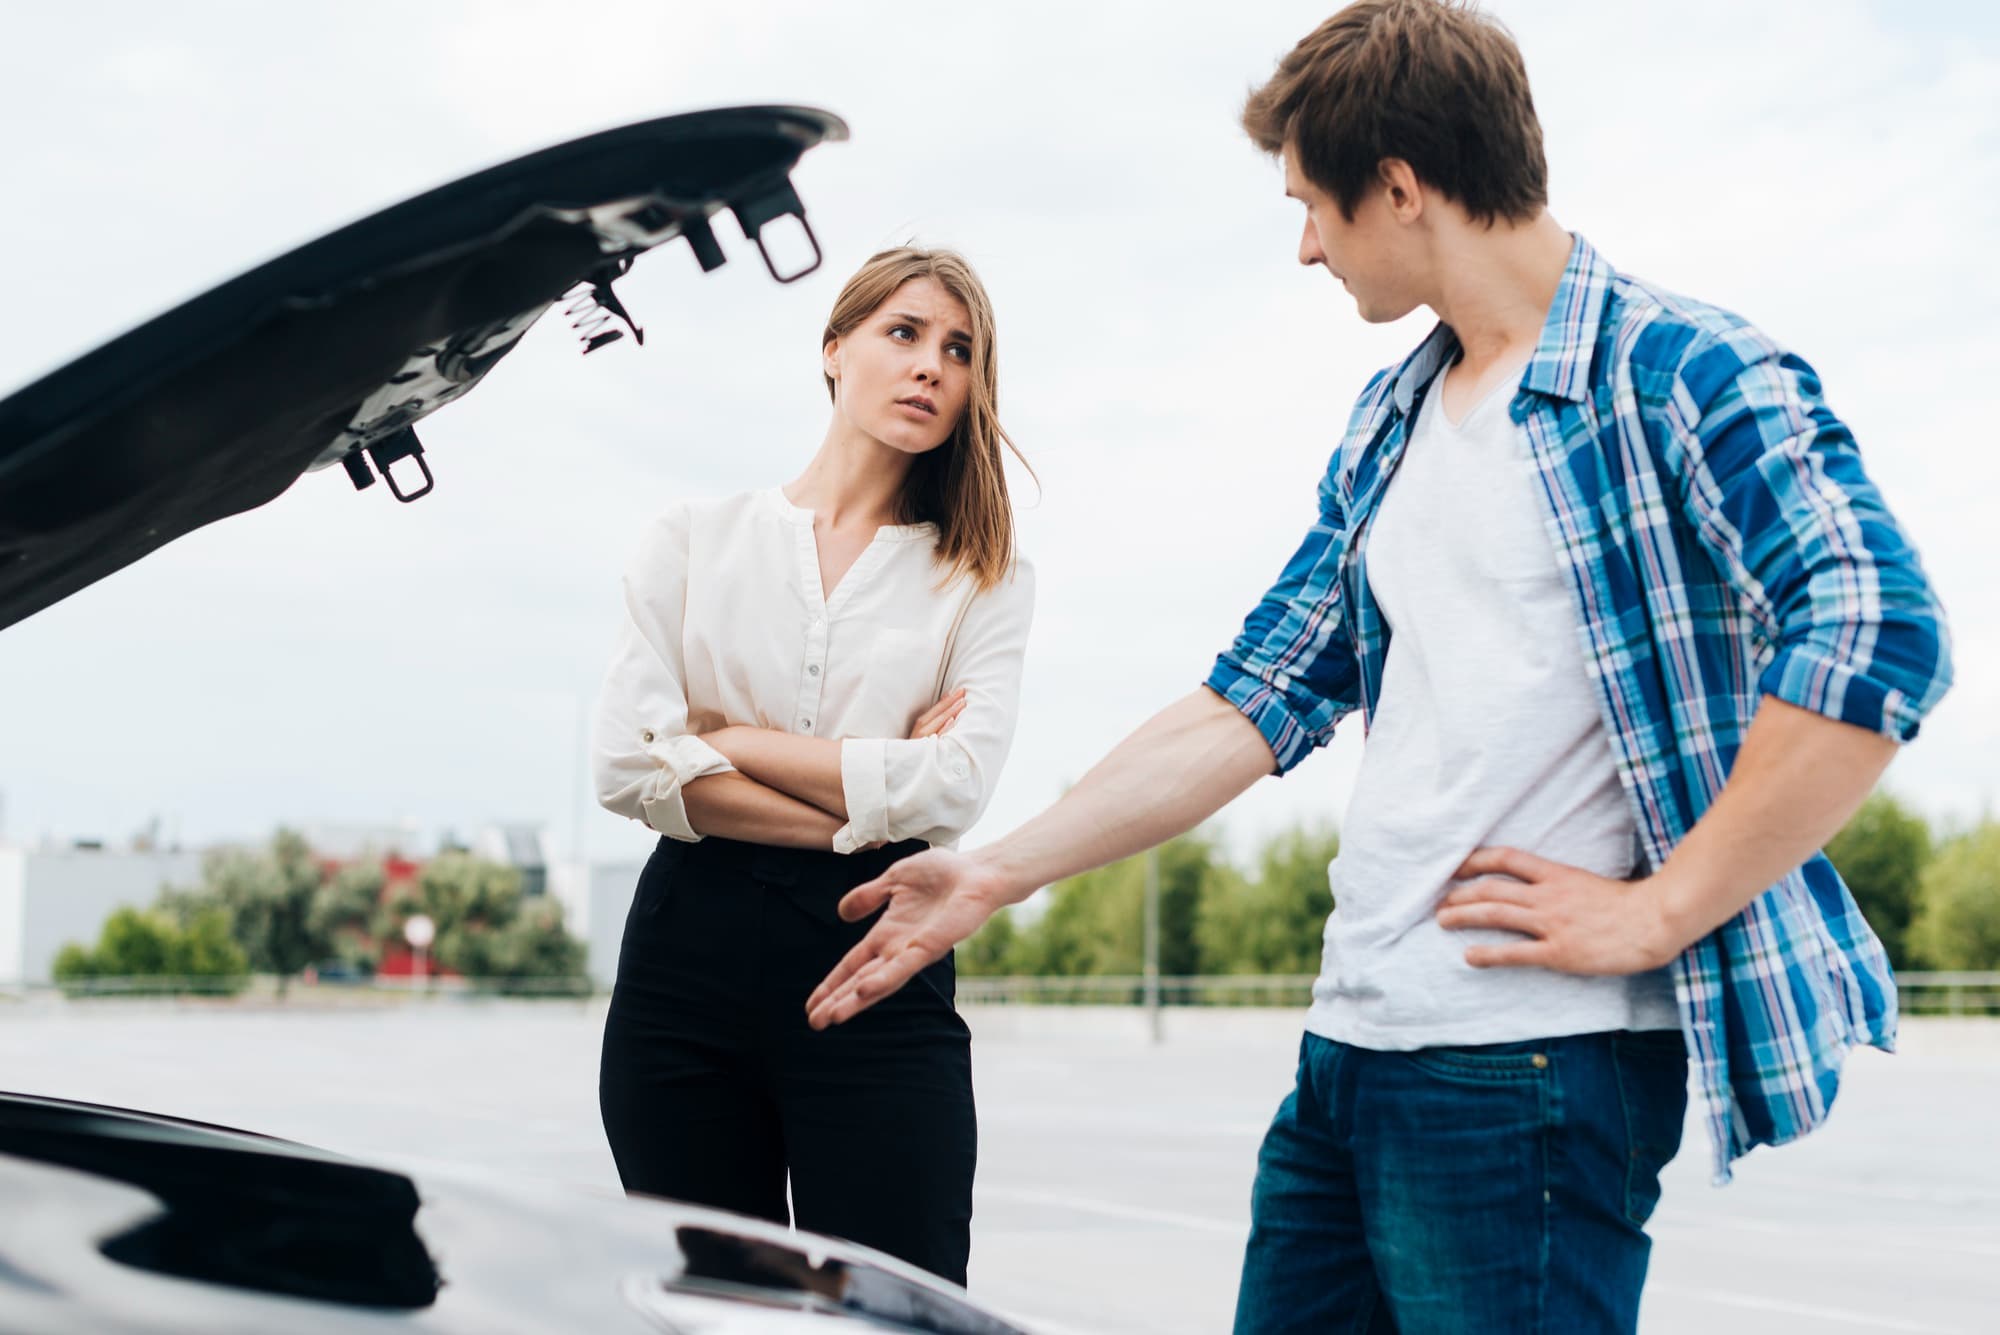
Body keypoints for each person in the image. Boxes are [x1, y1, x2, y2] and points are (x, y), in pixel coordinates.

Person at [802, 4, 1953, 1330]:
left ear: (1399, 188)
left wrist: (1664, 906)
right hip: (1350, 1049)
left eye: (1313, 207)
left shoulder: (1676, 369)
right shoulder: (1393, 420)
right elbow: (1255, 693)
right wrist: (999, 869)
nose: (1304, 245)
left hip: (1528, 1068)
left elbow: (1879, 623)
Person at [592, 246, 1035, 1286]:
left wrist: (730, 741)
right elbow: (625, 764)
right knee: (714, 1308)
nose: (931, 365)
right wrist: (869, 799)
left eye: (959, 350)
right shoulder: (692, 540)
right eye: (903, 332)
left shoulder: (982, 574)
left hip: (876, 955)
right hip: (682, 969)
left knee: (896, 1303)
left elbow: (956, 787)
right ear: (833, 350)